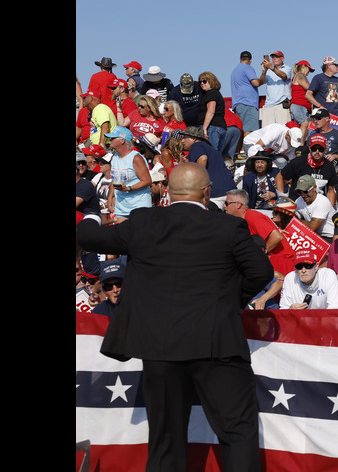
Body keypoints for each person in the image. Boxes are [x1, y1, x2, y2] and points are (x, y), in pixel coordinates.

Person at [75, 162, 272, 472]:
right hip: (217, 344)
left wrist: (88, 212)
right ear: (207, 193)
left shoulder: (143, 222)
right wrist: (228, 300)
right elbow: (261, 271)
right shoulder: (227, 226)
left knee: (166, 439)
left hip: (160, 348)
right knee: (237, 432)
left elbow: (90, 238)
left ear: (167, 191)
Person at [107, 127, 153, 221]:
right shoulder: (114, 157)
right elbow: (114, 179)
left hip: (139, 205)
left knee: (138, 234)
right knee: (120, 234)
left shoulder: (136, 158)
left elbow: (147, 181)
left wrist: (128, 188)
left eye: (113, 138)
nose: (110, 140)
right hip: (121, 206)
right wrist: (110, 197)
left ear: (122, 140)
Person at [181, 126, 236, 200]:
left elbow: (203, 158)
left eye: (185, 137)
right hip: (230, 191)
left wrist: (198, 182)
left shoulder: (196, 145)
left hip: (215, 193)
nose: (182, 141)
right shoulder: (209, 148)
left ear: (194, 138)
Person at [230, 51, 267, 136]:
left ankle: (242, 150)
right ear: (250, 60)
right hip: (248, 104)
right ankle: (247, 149)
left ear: (240, 59)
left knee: (240, 132)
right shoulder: (248, 68)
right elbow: (256, 83)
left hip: (238, 105)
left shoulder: (234, 71)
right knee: (250, 131)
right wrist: (263, 77)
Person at [293, 175, 336, 240]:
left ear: (315, 188)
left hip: (329, 236)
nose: (303, 195)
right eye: (299, 192)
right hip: (313, 235)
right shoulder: (298, 201)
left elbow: (312, 228)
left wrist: (295, 219)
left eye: (305, 191)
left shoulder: (322, 202)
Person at [198, 71, 229, 155]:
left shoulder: (211, 93)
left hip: (212, 128)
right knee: (216, 155)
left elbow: (211, 111)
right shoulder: (216, 93)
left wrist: (204, 128)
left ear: (211, 81)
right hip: (219, 127)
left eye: (204, 81)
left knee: (210, 154)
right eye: (200, 82)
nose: (202, 84)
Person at [261, 50, 293, 127]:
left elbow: (284, 76)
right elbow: (262, 81)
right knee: (267, 133)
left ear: (283, 59)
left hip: (281, 105)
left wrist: (271, 67)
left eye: (277, 57)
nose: (274, 59)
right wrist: (264, 72)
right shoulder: (268, 71)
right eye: (273, 57)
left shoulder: (287, 68)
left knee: (283, 131)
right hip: (269, 105)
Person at [290, 59, 315, 128]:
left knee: (305, 126)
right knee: (305, 124)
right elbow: (309, 88)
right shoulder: (300, 75)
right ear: (303, 67)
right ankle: (302, 139)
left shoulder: (297, 76)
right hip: (299, 105)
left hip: (300, 106)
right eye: (308, 69)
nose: (309, 72)